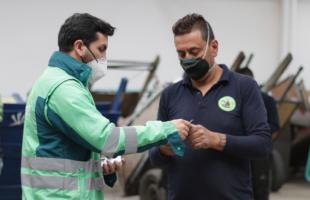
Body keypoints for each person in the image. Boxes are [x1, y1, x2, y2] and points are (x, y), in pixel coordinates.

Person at [21, 13, 191, 200]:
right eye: (101, 49)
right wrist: (166, 129)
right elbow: (108, 139)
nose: (104, 57)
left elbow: (61, 153)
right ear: (79, 47)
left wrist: (99, 166)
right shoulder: (64, 89)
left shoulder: (53, 81)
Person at [149, 13, 272, 200]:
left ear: (213, 47)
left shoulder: (243, 87)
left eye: (194, 51)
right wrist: (162, 149)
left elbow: (263, 144)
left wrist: (217, 140)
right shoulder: (170, 94)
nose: (187, 59)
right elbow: (154, 158)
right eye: (181, 54)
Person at [236, 67, 280, 200]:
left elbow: (274, 125)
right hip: (235, 149)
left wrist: (257, 135)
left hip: (257, 151)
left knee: (259, 186)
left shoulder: (266, 100)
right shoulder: (230, 99)